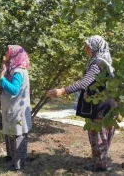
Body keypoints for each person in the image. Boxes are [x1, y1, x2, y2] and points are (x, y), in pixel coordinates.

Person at [47, 35, 116, 172]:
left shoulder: (97, 63)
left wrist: (62, 91)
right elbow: (91, 80)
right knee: (105, 133)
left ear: (95, 48)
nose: (86, 49)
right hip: (108, 104)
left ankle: (100, 166)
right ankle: (102, 161)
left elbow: (85, 83)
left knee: (97, 135)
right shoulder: (105, 61)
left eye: (88, 46)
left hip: (99, 106)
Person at [0, 45, 32, 171]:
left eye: (7, 53)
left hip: (17, 110)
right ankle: (12, 157)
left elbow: (14, 90)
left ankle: (18, 164)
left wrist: (2, 78)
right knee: (11, 133)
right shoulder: (13, 70)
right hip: (13, 109)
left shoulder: (18, 72)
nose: (5, 56)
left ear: (14, 55)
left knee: (18, 134)